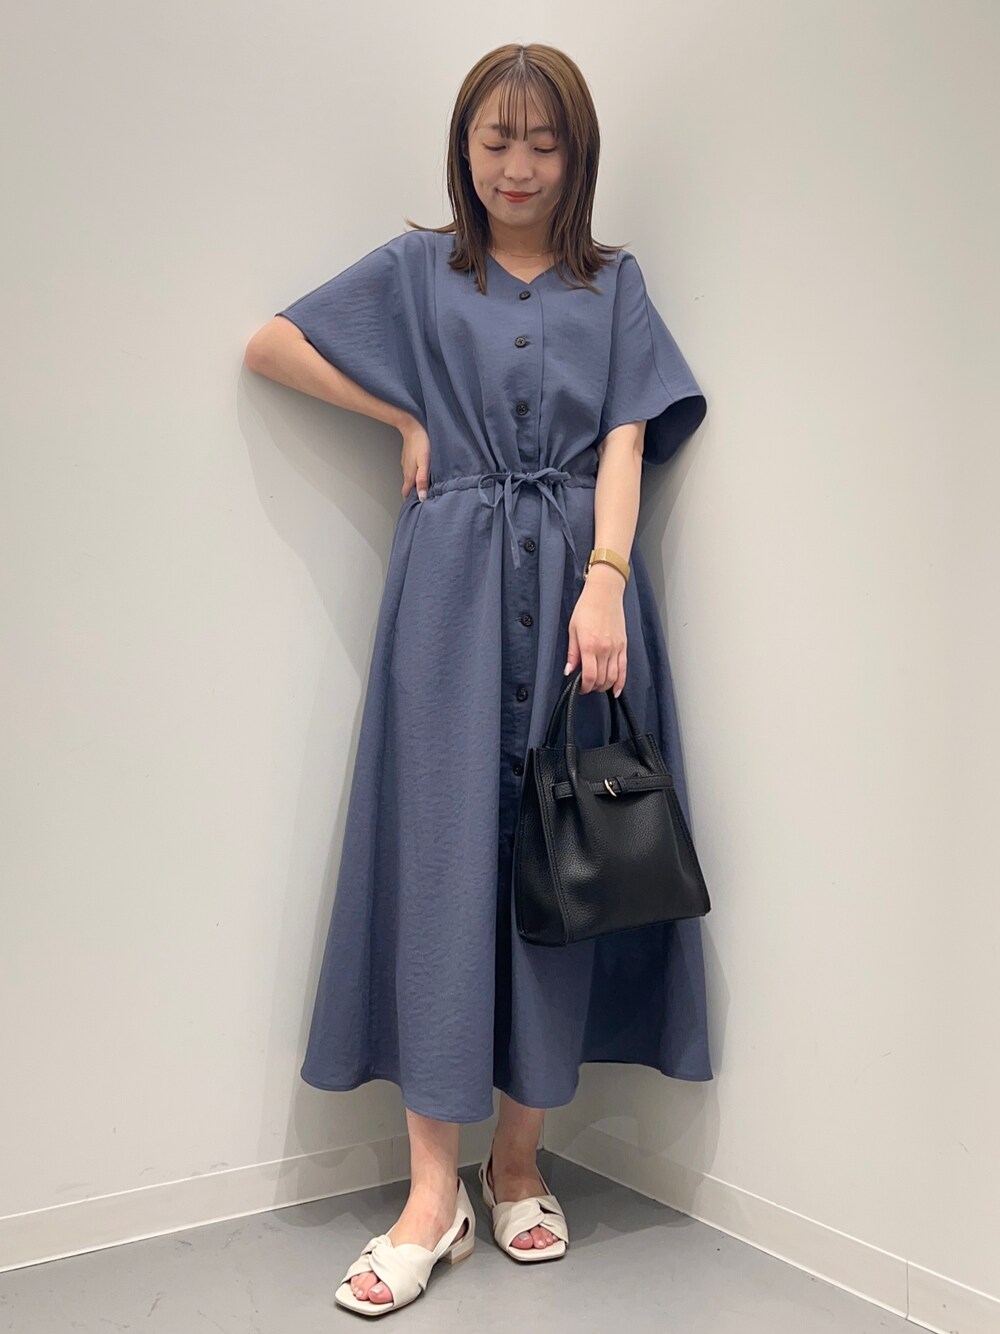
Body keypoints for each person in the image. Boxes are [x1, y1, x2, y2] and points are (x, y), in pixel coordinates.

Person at [245, 41, 712, 1318]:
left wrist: (605, 577)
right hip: (448, 597)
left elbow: (627, 441)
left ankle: (517, 1164)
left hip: (574, 594)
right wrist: (403, 417)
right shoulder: (418, 270)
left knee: (559, 864)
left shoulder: (614, 284)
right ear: (463, 147)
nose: (517, 166)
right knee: (440, 868)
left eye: (543, 143)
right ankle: (429, 1196)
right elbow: (272, 344)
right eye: (495, 140)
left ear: (577, 156)